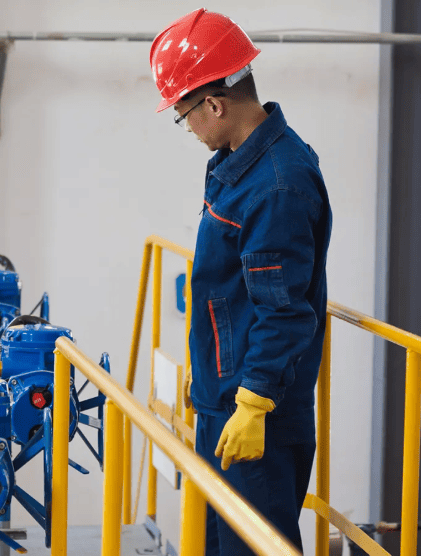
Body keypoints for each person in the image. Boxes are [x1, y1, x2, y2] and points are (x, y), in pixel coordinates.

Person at [149, 9, 332, 554]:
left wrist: (252, 404)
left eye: (184, 116)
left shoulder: (277, 185)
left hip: (256, 418)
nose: (188, 128)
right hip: (223, 399)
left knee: (253, 547)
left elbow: (283, 311)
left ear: (215, 104)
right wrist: (207, 374)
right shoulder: (239, 161)